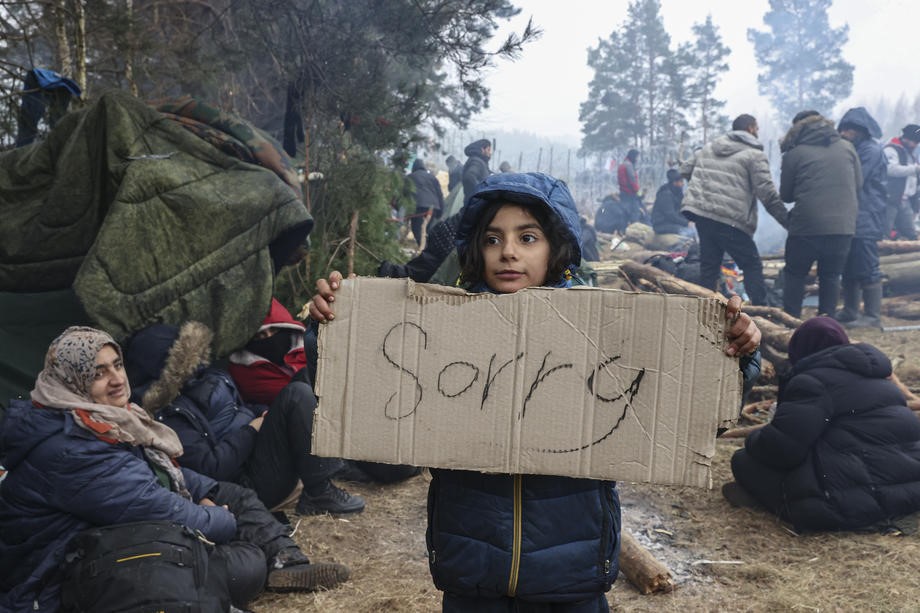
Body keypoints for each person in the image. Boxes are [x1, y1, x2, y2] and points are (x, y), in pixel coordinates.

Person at [309, 172, 763, 611]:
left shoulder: (605, 337)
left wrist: (737, 354)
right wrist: (331, 330)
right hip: (473, 574)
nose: (507, 252)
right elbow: (363, 403)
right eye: (492, 239)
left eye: (527, 237)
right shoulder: (441, 334)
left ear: (556, 247)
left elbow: (690, 413)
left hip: (573, 577)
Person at [0, 327, 347, 612]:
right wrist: (222, 518)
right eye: (98, 373)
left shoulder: (102, 418)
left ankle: (288, 561)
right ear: (72, 381)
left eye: (117, 365)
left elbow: (153, 473)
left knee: (231, 493)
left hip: (109, 534)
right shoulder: (70, 446)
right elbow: (160, 508)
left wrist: (208, 493)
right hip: (62, 574)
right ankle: (263, 562)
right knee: (247, 562)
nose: (116, 379)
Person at [124, 321, 366, 517]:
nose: (195, 359)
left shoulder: (208, 377)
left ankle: (341, 462)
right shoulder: (170, 416)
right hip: (248, 482)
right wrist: (252, 429)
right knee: (296, 395)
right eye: (186, 355)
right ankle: (318, 493)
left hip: (256, 453)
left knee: (305, 377)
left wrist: (263, 414)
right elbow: (211, 468)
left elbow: (239, 407)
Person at [726, 317, 920, 532]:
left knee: (743, 461)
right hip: (911, 491)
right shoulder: (882, 380)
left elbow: (781, 450)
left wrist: (755, 439)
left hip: (849, 505)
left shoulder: (812, 382)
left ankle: (769, 500)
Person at [228, 298, 420, 485]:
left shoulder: (309, 348)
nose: (269, 338)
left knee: (399, 467)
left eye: (274, 330)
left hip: (343, 418)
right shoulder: (243, 373)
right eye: (260, 336)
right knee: (302, 383)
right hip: (305, 434)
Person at [680, 114, 789, 305]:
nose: (758, 132)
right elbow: (767, 194)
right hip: (730, 220)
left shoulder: (709, 148)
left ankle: (703, 311)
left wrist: (706, 190)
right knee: (751, 264)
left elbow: (685, 169)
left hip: (704, 216)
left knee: (709, 267)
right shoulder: (754, 155)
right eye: (757, 128)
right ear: (750, 128)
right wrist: (788, 222)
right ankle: (760, 310)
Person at [779, 110, 861, 318]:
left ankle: (790, 322)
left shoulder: (794, 154)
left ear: (797, 129)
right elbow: (857, 185)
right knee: (831, 276)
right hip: (842, 227)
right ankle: (827, 324)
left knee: (795, 275)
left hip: (806, 226)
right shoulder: (847, 147)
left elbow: (786, 195)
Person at [835, 108, 888, 328]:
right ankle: (850, 311)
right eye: (843, 129)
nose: (844, 133)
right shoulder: (855, 149)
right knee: (849, 264)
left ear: (860, 130)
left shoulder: (870, 151)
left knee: (867, 264)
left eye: (849, 129)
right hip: (853, 215)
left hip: (867, 214)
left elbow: (856, 179)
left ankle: (872, 316)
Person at [883, 124, 920, 240]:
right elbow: (891, 169)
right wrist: (915, 169)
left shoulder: (909, 153)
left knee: (910, 233)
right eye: (914, 141)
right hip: (891, 198)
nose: (915, 145)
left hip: (905, 199)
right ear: (906, 138)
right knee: (885, 230)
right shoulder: (891, 150)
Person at [650, 168, 693, 248]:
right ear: (674, 182)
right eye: (681, 181)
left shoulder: (678, 193)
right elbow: (670, 215)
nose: (683, 184)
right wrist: (686, 223)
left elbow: (682, 209)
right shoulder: (665, 194)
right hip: (661, 225)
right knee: (686, 232)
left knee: (692, 230)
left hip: (671, 223)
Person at [408, 158, 445, 247]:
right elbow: (440, 195)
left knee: (417, 229)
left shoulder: (410, 177)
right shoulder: (432, 177)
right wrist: (440, 212)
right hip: (433, 208)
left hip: (419, 207)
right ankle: (427, 249)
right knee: (426, 230)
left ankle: (424, 249)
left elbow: (404, 196)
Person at [617, 149, 644, 224]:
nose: (637, 159)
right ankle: (635, 226)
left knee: (625, 212)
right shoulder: (629, 165)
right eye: (636, 157)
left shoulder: (622, 165)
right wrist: (638, 192)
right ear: (633, 156)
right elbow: (633, 180)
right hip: (630, 193)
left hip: (623, 192)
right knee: (635, 212)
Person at [462, 138, 492, 204]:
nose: (490, 153)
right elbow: (469, 176)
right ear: (482, 149)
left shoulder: (481, 162)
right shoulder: (476, 161)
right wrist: (481, 191)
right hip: (475, 203)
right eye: (488, 150)